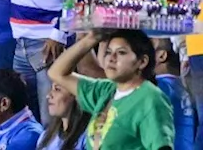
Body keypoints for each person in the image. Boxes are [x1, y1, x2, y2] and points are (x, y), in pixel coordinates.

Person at [47, 29, 176, 150]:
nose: (111, 58)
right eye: (108, 52)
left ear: (142, 61)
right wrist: (91, 38)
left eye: (121, 53)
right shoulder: (106, 90)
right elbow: (56, 73)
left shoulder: (150, 97)